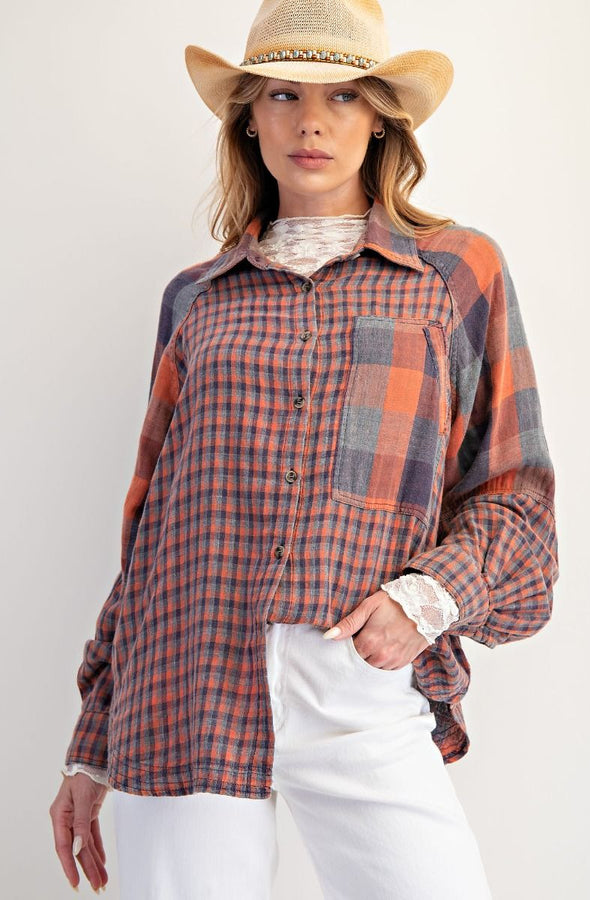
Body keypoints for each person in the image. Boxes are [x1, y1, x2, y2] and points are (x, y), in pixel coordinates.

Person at [49, 0, 559, 896]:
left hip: (356, 683)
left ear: (381, 118)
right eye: (284, 94)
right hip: (185, 681)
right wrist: (93, 742)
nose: (311, 121)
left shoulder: (453, 273)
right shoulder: (196, 300)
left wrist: (429, 597)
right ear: (250, 117)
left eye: (343, 96)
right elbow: (154, 532)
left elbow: (516, 491)